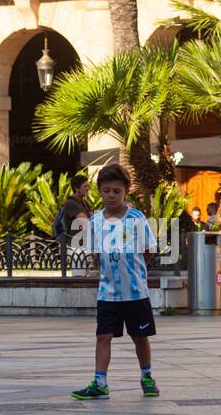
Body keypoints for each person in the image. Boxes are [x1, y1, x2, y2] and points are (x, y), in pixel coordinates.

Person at [71, 163, 159, 399]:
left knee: (140, 337)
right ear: (99, 191)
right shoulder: (96, 220)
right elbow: (97, 253)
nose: (111, 195)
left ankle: (147, 376)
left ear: (125, 191)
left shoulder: (136, 218)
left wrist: (135, 270)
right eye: (106, 190)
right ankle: (100, 383)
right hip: (107, 293)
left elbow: (149, 249)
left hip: (135, 293)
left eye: (116, 191)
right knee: (103, 336)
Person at [53, 174, 92, 243]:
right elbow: (86, 222)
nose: (88, 188)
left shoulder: (85, 203)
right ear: (77, 188)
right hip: (75, 246)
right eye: (85, 186)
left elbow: (93, 218)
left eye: (88, 186)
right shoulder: (70, 203)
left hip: (85, 242)